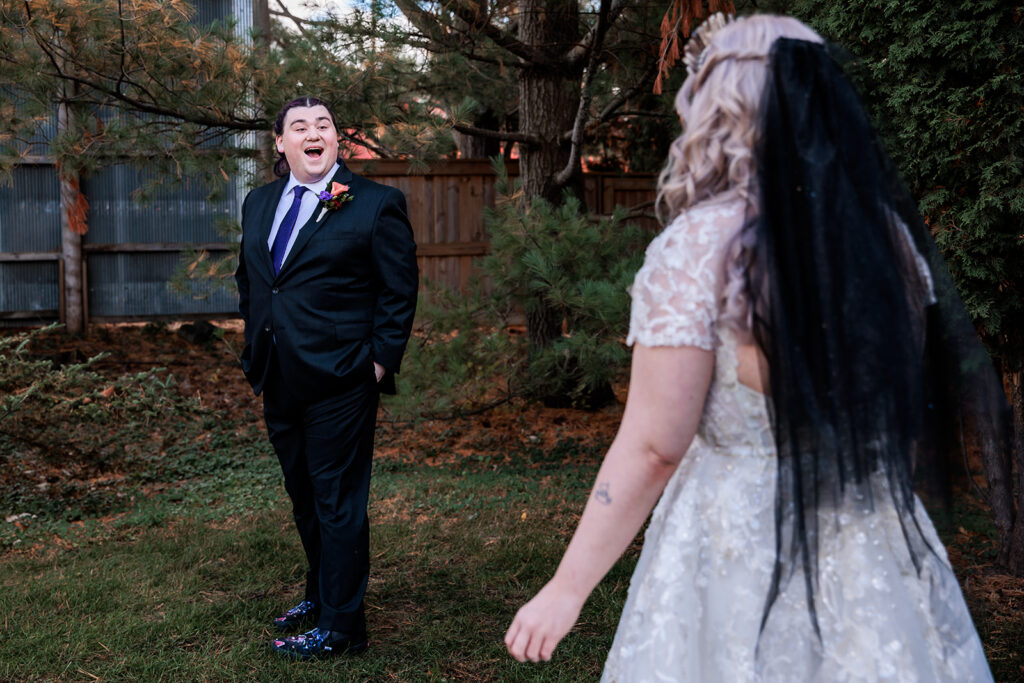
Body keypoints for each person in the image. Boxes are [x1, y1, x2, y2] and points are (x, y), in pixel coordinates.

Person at [505, 14, 1008, 681]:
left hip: (732, 543)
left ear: (717, 111)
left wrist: (566, 588)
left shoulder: (698, 250)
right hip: (872, 536)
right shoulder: (888, 239)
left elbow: (654, 446)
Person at [235, 96, 418, 659]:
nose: (314, 134)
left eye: (324, 126)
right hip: (279, 376)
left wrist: (378, 361)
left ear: (337, 139)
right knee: (304, 495)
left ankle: (343, 629)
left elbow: (398, 290)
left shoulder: (374, 204)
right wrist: (255, 343)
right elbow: (255, 280)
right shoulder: (259, 202)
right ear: (281, 142)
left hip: (343, 379)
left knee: (338, 500)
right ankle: (320, 591)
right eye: (300, 126)